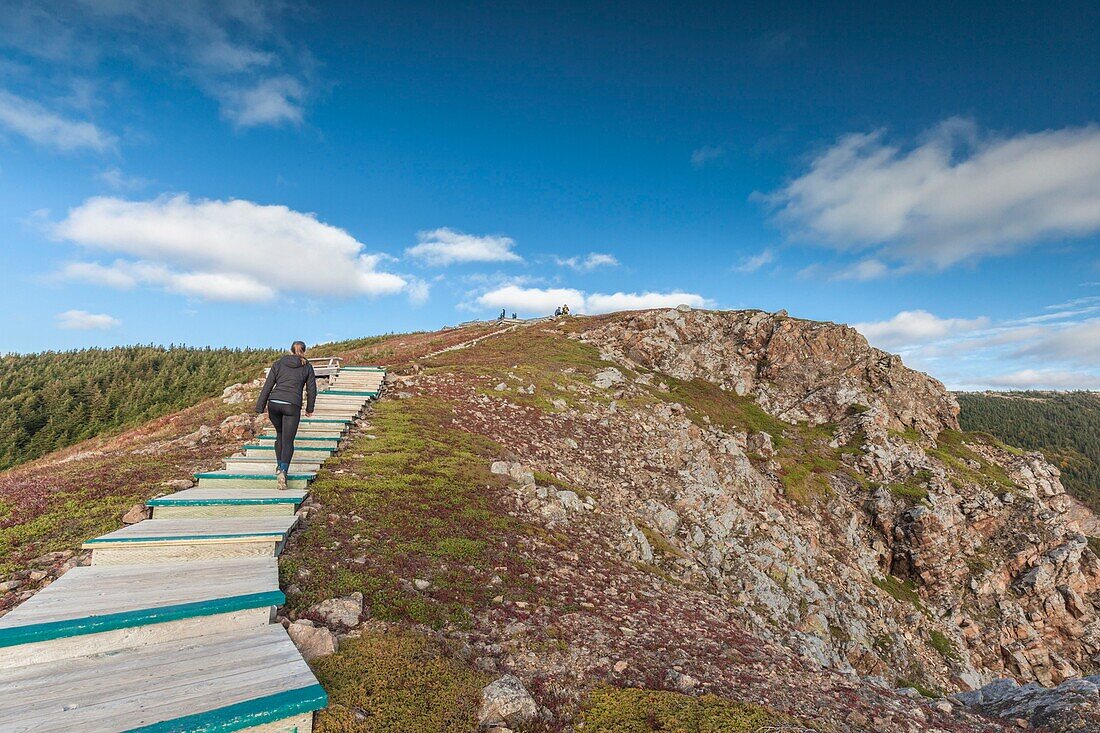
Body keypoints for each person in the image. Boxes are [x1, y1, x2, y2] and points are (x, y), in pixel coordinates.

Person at [256, 341, 317, 488]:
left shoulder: (278, 363)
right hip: (291, 405)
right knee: (288, 440)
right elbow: (312, 390)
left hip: (274, 404)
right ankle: (283, 470)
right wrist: (309, 408)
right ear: (304, 351)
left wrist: (260, 407)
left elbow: (268, 385)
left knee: (280, 435)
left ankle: (279, 467)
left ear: (290, 350)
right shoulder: (307, 367)